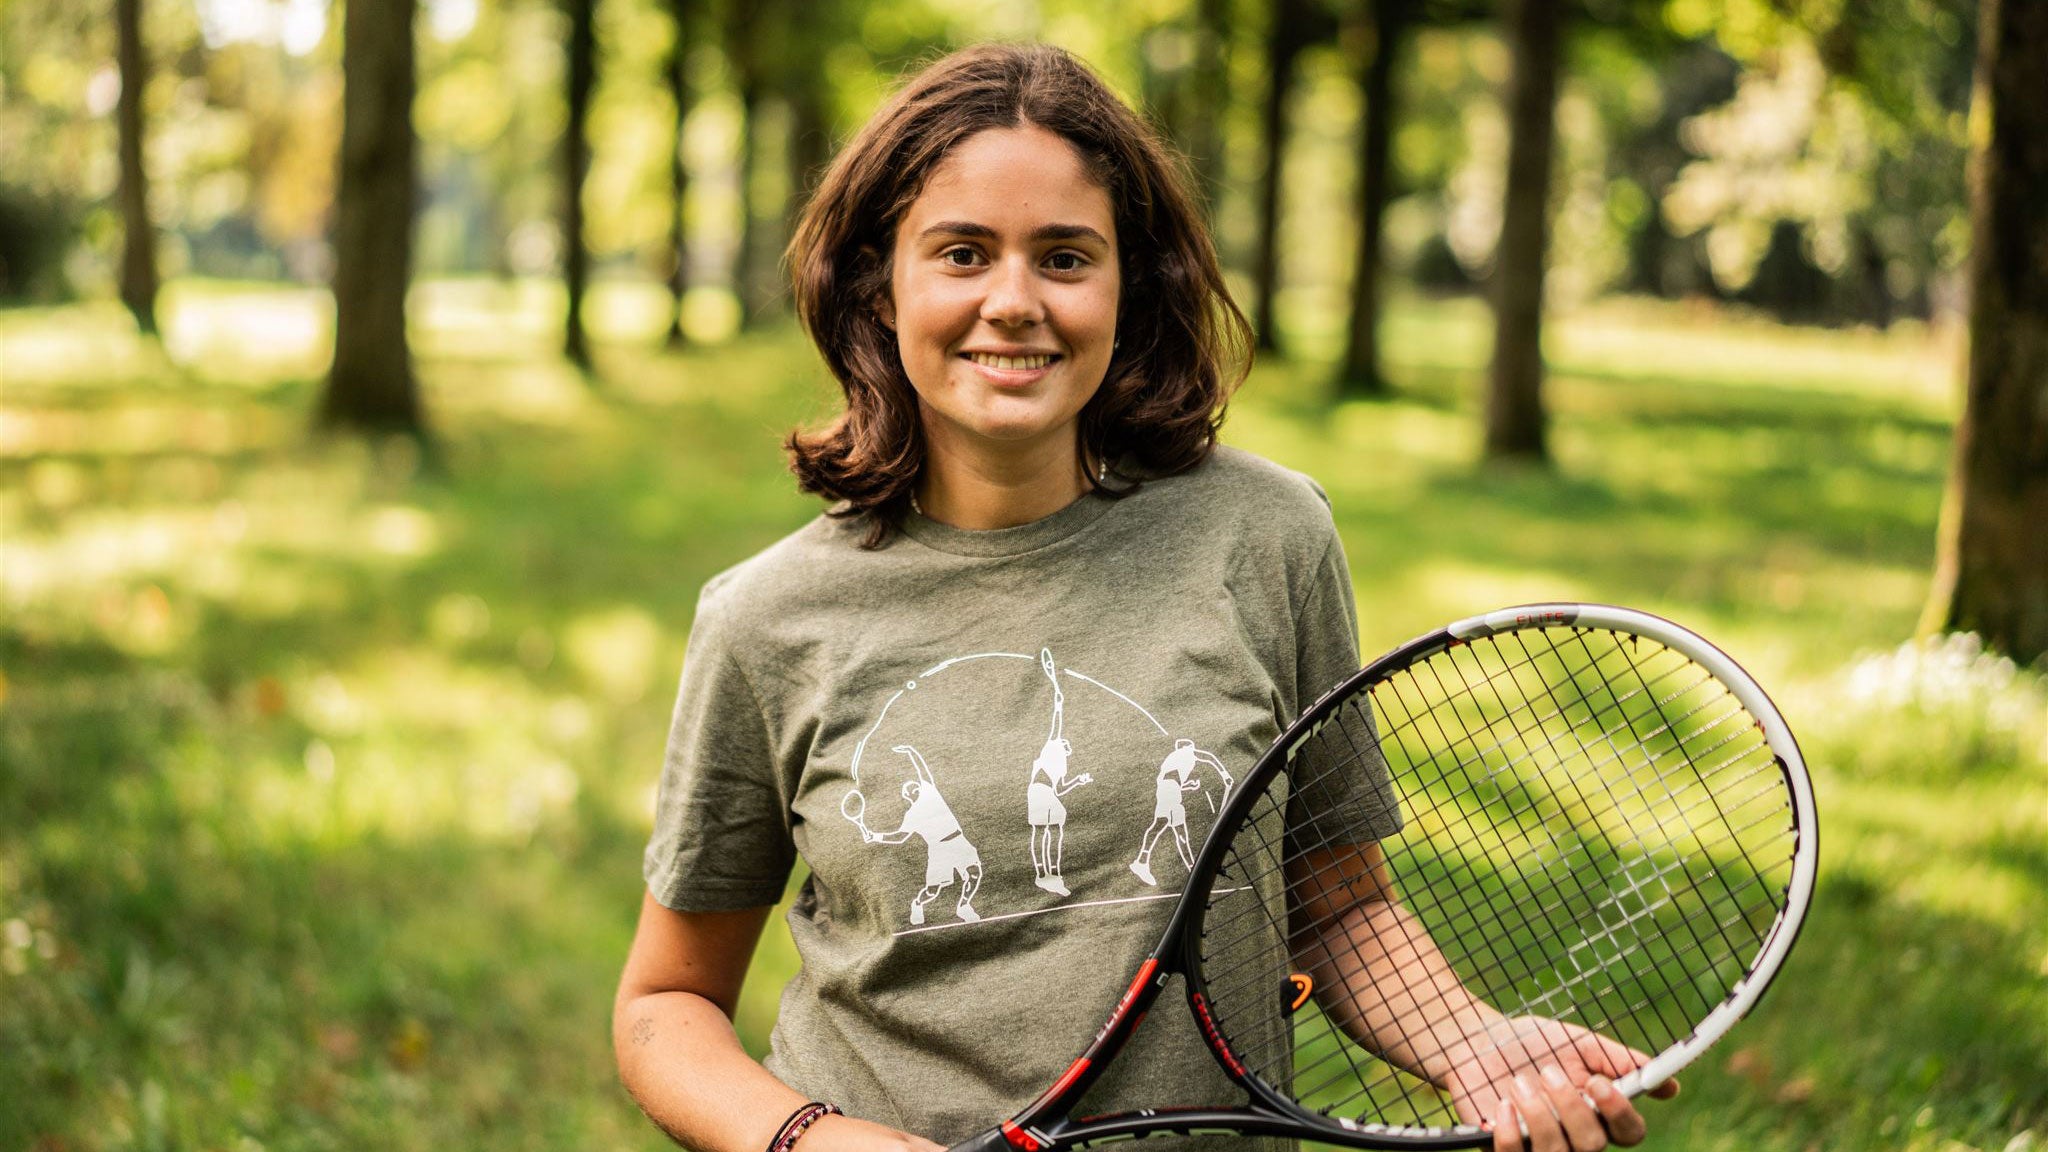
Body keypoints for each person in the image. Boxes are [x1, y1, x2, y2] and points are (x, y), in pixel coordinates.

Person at [613, 42, 1675, 1152]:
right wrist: (817, 1144)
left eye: (1064, 258)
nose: (1012, 302)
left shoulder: (1264, 538)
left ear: (1131, 284)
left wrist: (1471, 1043)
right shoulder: (766, 619)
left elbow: (1339, 901)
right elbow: (662, 1006)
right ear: (881, 286)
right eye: (962, 253)